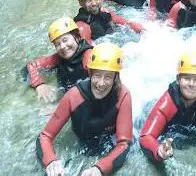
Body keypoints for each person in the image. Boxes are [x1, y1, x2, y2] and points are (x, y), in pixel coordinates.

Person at [36, 43, 133, 176]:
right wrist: (51, 161)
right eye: (97, 75)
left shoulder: (123, 95)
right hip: (81, 142)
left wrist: (100, 168)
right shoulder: (73, 96)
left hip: (110, 141)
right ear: (90, 73)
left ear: (116, 77)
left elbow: (124, 143)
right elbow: (45, 136)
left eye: (108, 77)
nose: (101, 83)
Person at [140, 51, 196, 163]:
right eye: (187, 78)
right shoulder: (167, 103)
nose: (191, 84)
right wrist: (158, 150)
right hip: (170, 133)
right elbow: (145, 137)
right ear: (178, 80)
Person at [26, 17, 93, 103]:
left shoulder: (88, 55)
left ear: (77, 37)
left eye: (65, 40)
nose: (62, 46)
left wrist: (62, 107)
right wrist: (39, 84)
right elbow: (31, 64)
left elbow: (97, 86)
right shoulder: (58, 57)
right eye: (57, 44)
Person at [74, 0, 144, 40]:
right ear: (81, 3)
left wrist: (141, 30)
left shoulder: (104, 12)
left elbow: (124, 22)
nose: (94, 3)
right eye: (89, 1)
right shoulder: (82, 25)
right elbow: (87, 48)